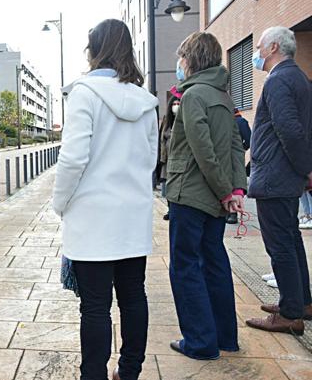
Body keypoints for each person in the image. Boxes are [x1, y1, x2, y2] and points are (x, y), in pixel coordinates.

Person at [53, 19, 158, 380]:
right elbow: (151, 159)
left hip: (93, 218)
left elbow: (72, 159)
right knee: (133, 297)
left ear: (94, 50)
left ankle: (92, 375)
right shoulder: (146, 101)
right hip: (132, 218)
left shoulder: (84, 93)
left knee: (95, 307)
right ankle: (129, 372)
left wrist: (60, 203)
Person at [166, 32, 247, 360]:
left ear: (191, 60)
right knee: (214, 263)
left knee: (185, 267)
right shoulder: (223, 96)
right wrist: (235, 190)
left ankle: (200, 342)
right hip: (216, 199)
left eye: (181, 58)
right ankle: (226, 336)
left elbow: (203, 150)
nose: (179, 64)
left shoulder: (193, 95)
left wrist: (225, 189)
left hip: (190, 196)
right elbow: (233, 147)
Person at [245, 26, 312, 335]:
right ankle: (299, 302)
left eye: (259, 47)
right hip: (286, 175)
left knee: (280, 245)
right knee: (292, 240)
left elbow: (289, 130)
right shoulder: (298, 77)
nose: (257, 53)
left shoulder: (279, 80)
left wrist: (305, 169)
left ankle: (289, 314)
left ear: (273, 48)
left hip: (276, 175)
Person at [158, 88, 182, 221]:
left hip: (179, 159)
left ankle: (175, 209)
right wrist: (162, 159)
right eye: (174, 104)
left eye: (179, 104)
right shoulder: (167, 122)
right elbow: (162, 140)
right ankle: (170, 209)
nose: (176, 107)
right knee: (168, 187)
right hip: (167, 160)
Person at [226, 108, 252, 224]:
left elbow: (249, 140)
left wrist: (241, 150)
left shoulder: (240, 122)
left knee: (233, 183)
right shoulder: (235, 121)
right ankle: (229, 212)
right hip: (225, 156)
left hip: (234, 157)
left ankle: (233, 213)